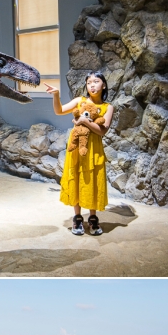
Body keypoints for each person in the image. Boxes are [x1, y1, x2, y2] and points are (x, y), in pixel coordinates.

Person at [45, 73, 116, 236]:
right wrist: (56, 95)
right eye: (89, 82)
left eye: (96, 82)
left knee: (92, 181)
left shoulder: (108, 107)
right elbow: (60, 110)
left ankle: (92, 218)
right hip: (77, 150)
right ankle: (77, 217)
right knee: (76, 179)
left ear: (103, 85)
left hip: (94, 149)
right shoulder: (80, 101)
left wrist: (85, 121)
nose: (92, 85)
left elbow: (102, 131)